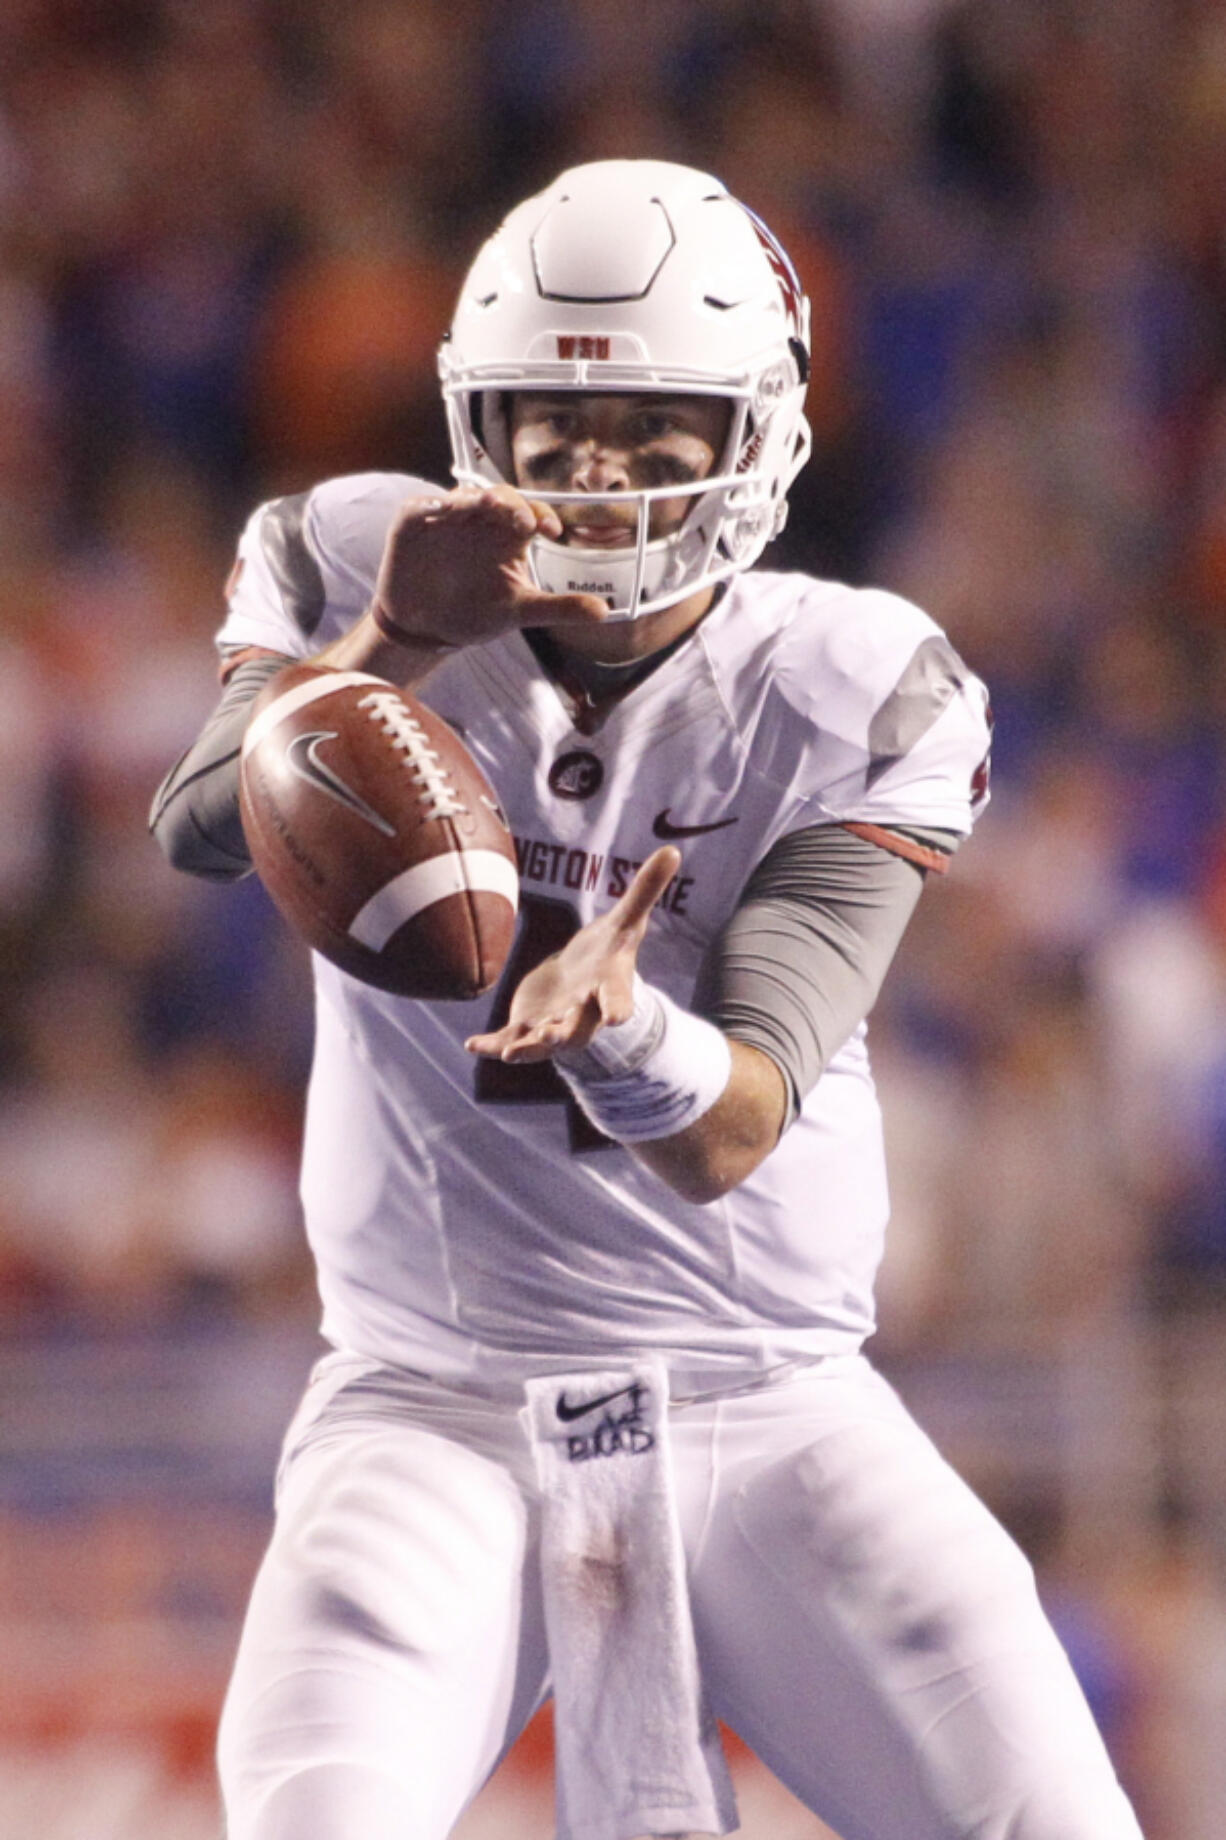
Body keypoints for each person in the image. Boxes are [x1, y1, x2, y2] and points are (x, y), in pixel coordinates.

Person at [151, 161, 1144, 1840]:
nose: (599, 474)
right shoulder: (349, 557)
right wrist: (388, 642)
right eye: (556, 423)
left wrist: (621, 1028)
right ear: (484, 423)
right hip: (428, 1400)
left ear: (756, 437)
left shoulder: (847, 681)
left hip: (770, 1403)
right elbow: (199, 829)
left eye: (657, 427)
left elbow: (736, 1119)